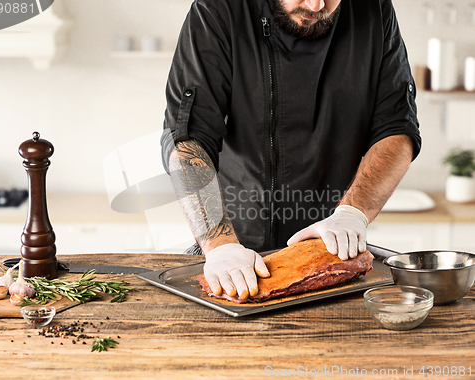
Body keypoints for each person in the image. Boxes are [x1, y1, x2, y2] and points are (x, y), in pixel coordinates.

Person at [161, 0, 421, 300]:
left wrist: (353, 214)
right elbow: (188, 138)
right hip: (232, 252)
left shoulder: (374, 10)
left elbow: (397, 128)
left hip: (330, 254)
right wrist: (221, 246)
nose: (315, 4)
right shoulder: (218, 10)